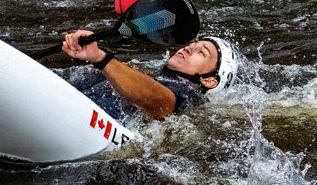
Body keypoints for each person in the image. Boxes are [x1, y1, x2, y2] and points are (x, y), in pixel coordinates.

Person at [62, 30, 239, 119]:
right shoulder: (151, 70)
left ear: (209, 80)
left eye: (202, 52)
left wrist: (100, 57)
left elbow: (162, 101)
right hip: (72, 104)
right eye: (194, 44)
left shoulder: (189, 93)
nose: (189, 48)